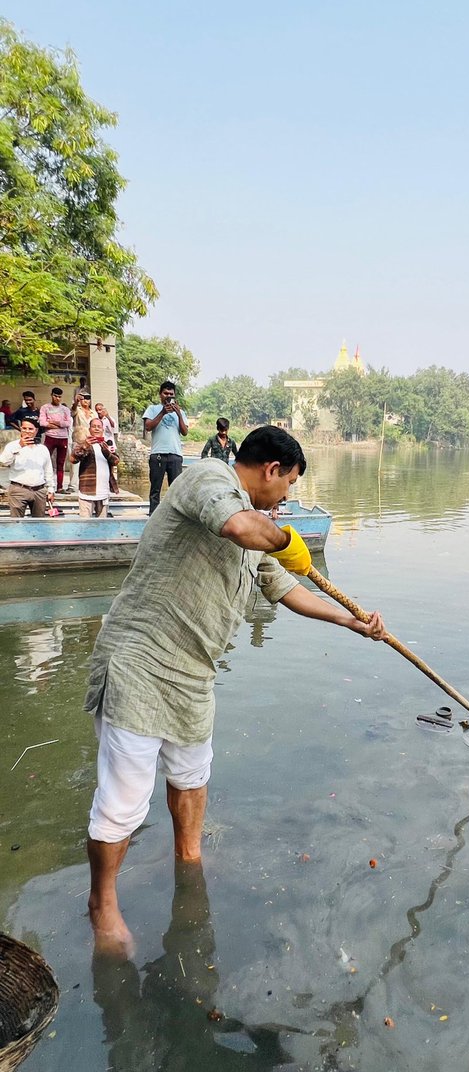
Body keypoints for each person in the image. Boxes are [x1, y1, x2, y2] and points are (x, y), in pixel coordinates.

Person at [84, 425, 385, 954]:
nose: (286, 497)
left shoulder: (257, 526)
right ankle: (102, 903)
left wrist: (350, 621)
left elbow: (285, 588)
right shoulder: (208, 478)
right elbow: (239, 527)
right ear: (271, 469)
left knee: (191, 776)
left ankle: (189, 858)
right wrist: (288, 540)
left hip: (194, 673)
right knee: (124, 801)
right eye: (289, 483)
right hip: (141, 662)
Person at [143, 381, 189, 515]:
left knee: (176, 490)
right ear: (160, 394)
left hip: (175, 454)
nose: (168, 396)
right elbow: (148, 427)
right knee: (155, 489)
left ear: (174, 395)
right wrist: (163, 412)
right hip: (157, 454)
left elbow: (185, 432)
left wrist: (178, 414)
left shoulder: (181, 412)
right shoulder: (152, 409)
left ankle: (175, 517)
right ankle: (153, 516)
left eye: (171, 394)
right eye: (165, 393)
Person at [0, 416, 55, 516]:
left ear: (36, 430)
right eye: (24, 428)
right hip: (19, 489)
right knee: (16, 522)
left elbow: (48, 470)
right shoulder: (12, 446)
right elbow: (4, 461)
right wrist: (19, 446)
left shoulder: (42, 449)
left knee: (39, 522)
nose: (27, 431)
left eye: (30, 429)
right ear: (21, 429)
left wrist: (51, 489)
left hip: (39, 490)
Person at [71, 416, 120, 517]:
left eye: (99, 426)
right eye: (94, 426)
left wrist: (106, 451)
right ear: (89, 429)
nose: (97, 429)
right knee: (85, 524)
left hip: (104, 492)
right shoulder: (83, 444)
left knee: (102, 524)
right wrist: (85, 446)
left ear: (102, 430)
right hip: (86, 492)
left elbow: (116, 461)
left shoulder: (107, 444)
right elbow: (73, 459)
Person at [39, 386, 73, 493]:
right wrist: (56, 425)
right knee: (45, 460)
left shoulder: (65, 409)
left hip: (63, 438)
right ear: (51, 395)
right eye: (55, 396)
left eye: (59, 397)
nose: (57, 398)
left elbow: (68, 423)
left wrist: (53, 422)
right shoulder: (45, 407)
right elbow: (42, 422)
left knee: (60, 463)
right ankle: (43, 484)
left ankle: (60, 487)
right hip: (50, 437)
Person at [69, 389, 94, 492]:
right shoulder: (77, 410)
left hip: (90, 441)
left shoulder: (93, 413)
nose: (85, 400)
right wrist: (76, 401)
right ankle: (72, 485)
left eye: (88, 398)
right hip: (78, 439)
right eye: (83, 398)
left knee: (89, 464)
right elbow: (73, 410)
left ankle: (86, 485)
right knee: (75, 464)